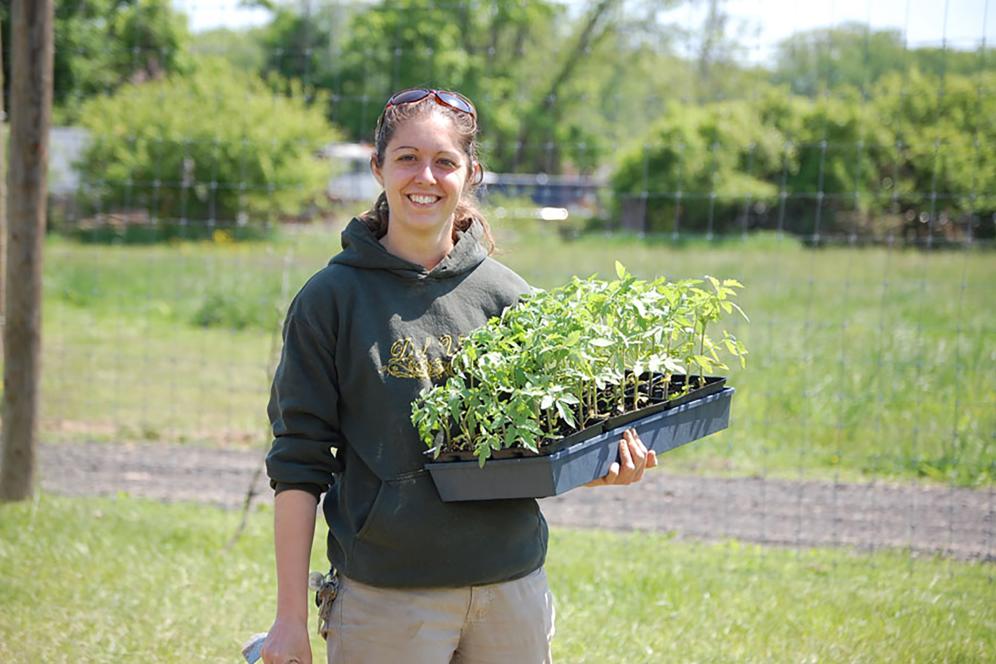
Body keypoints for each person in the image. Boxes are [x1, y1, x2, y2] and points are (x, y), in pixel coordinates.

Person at [261, 87, 658, 664]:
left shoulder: (510, 297)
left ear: (472, 172)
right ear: (378, 168)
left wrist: (603, 465)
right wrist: (289, 620)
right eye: (407, 158)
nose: (426, 176)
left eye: (445, 161)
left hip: (510, 588)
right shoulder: (331, 300)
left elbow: (542, 446)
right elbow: (298, 463)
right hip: (386, 599)